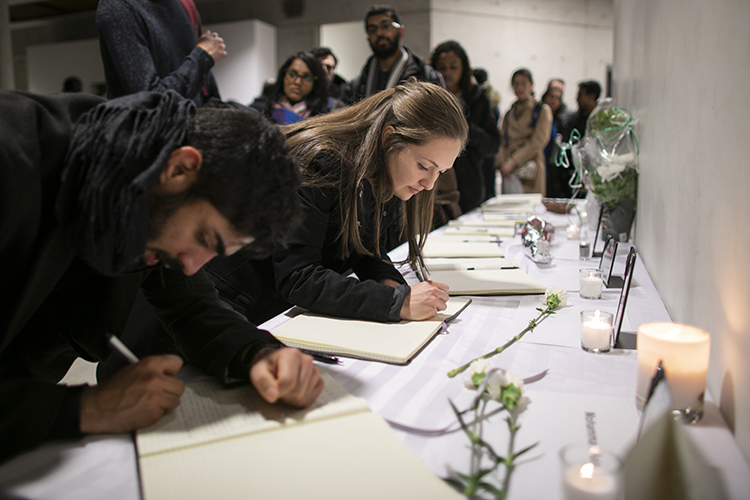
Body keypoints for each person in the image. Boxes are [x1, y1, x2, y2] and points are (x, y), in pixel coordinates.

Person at [0, 90, 324, 462]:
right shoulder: (13, 159)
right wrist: (85, 407)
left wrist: (258, 354)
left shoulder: (142, 185)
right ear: (180, 169)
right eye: (204, 238)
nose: (190, 265)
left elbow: (192, 307)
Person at [96, 0, 226, 106]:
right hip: (151, 135)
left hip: (193, 129)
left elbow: (205, 92)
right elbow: (150, 100)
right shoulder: (118, 7)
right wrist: (202, 57)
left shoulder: (184, 4)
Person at [429, 40, 499, 217]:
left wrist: (468, 130)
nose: (447, 73)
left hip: (469, 186)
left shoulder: (478, 98)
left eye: (453, 67)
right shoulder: (428, 99)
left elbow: (492, 145)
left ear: (464, 69)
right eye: (442, 68)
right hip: (433, 187)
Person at [345, 5, 444, 104]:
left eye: (386, 26)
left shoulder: (427, 77)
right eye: (373, 30)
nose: (379, 33)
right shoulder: (358, 85)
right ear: (368, 38)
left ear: (401, 31)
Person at [495, 68, 552, 194]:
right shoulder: (509, 113)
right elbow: (503, 140)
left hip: (530, 169)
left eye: (523, 83)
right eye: (516, 84)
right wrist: (502, 164)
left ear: (531, 85)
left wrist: (513, 162)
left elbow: (538, 141)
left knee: (529, 208)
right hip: (509, 171)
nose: (519, 88)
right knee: (509, 209)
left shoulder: (541, 110)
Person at [252, 52, 330, 125]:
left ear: (315, 82)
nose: (298, 82)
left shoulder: (326, 114)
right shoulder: (261, 109)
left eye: (306, 77)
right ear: (283, 76)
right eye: (292, 75)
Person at [542, 84, 572, 198]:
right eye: (552, 97)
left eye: (558, 98)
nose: (554, 101)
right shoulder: (537, 114)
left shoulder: (562, 119)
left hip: (555, 163)